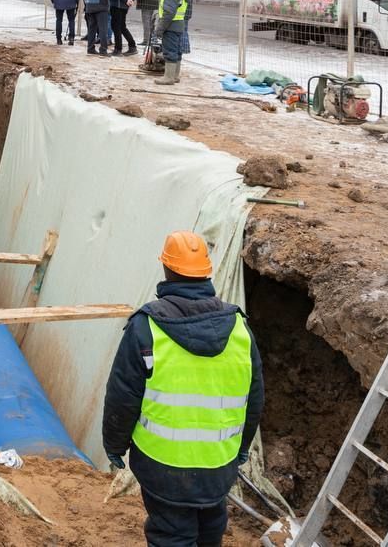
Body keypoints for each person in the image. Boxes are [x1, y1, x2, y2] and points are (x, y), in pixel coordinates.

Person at [102, 231, 264, 547]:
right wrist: (242, 447)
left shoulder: (146, 327)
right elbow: (253, 397)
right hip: (218, 464)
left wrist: (114, 444)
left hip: (163, 468)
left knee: (172, 535)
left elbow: (123, 395)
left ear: (167, 270)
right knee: (210, 528)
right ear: (206, 272)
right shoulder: (239, 329)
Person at [153, 0, 191, 85]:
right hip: (179, 25)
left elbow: (168, 13)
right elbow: (188, 11)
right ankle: (175, 76)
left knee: (170, 51)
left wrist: (159, 29)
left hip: (170, 26)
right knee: (177, 50)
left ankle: (168, 77)